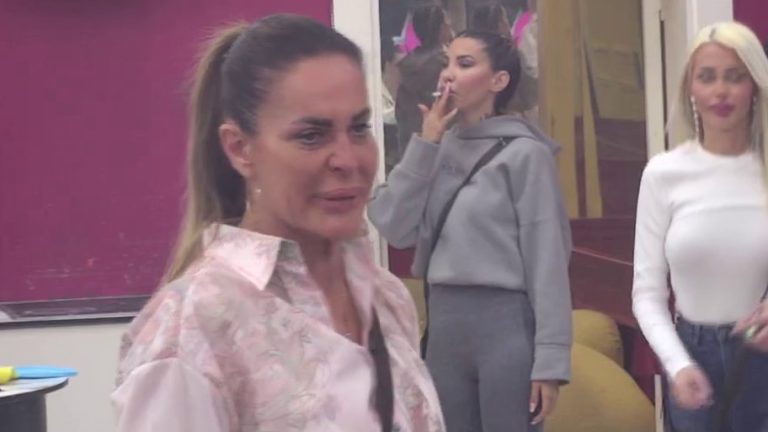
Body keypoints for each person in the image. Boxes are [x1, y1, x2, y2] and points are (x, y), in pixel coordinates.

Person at [112, 15, 445, 432]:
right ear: (240, 149)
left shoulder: (387, 298)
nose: (348, 159)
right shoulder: (195, 326)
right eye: (311, 136)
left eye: (359, 128)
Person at [369, 29, 572, 432]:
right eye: (447, 62)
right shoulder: (437, 147)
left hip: (505, 329)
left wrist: (551, 360)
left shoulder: (525, 154)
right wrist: (426, 142)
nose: (448, 74)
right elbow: (393, 224)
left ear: (498, 80)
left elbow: (548, 260)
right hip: (443, 329)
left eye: (464, 64)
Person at [632, 21, 768, 432]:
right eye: (707, 77)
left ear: (755, 86)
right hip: (691, 357)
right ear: (690, 87)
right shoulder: (663, 174)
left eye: (735, 76)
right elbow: (647, 293)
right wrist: (677, 364)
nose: (720, 91)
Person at [395, 3, 454, 166]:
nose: (450, 26)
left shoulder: (407, 66)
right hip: (443, 146)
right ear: (442, 28)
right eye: (447, 23)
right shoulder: (447, 66)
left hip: (412, 147)